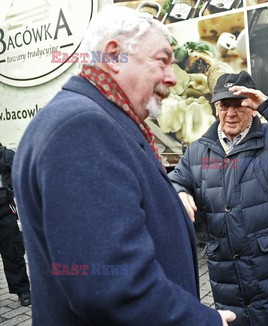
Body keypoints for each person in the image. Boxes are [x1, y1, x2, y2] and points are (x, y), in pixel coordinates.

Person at [12, 6, 235, 325]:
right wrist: (202, 321)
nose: (172, 77)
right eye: (162, 60)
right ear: (114, 54)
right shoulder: (83, 126)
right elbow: (110, 285)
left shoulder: (97, 118)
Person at [169, 70, 268, 325]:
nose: (231, 113)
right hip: (230, 278)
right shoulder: (198, 151)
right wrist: (179, 192)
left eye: (239, 104)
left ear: (252, 107)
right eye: (224, 105)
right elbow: (174, 181)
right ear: (216, 107)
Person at [0, 143, 31, 306]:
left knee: (13, 251)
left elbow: (22, 177)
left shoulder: (6, 155)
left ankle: (23, 290)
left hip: (4, 211)